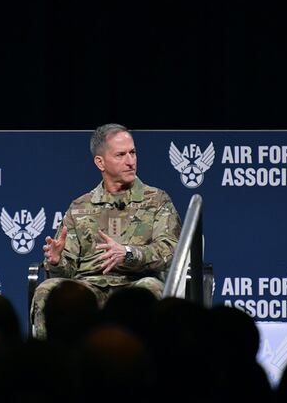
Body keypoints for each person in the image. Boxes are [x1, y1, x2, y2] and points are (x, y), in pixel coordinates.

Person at [30, 123, 181, 339]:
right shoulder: (80, 206)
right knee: (48, 289)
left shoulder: (157, 200)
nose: (130, 161)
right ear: (100, 162)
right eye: (121, 155)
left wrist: (129, 254)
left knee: (148, 288)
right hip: (89, 288)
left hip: (133, 284)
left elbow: (170, 250)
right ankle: (53, 365)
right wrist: (56, 262)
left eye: (133, 152)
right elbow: (66, 271)